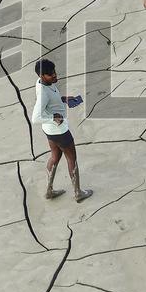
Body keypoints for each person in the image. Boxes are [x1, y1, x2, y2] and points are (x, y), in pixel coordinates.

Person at [30, 59, 92, 203]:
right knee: (72, 159)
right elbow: (35, 118)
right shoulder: (44, 93)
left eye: (55, 72)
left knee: (55, 157)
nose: (55, 76)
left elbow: (49, 102)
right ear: (42, 76)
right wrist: (53, 117)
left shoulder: (41, 83)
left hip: (50, 131)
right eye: (51, 75)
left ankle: (49, 191)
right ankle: (78, 193)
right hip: (60, 131)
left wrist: (62, 99)